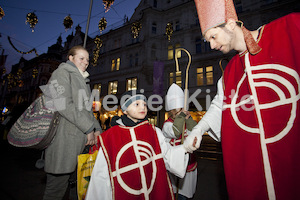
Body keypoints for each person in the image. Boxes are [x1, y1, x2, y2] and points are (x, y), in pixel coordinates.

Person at [185, 1, 300, 200]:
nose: (212, 45)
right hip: (253, 179)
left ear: (230, 23)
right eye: (207, 41)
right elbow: (219, 105)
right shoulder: (229, 73)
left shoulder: (290, 29)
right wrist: (199, 129)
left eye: (213, 36)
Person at [86, 90, 194, 200]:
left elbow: (168, 156)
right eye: (136, 104)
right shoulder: (111, 136)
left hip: (150, 187)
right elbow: (101, 176)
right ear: (125, 110)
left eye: (145, 104)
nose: (142, 108)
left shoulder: (154, 132)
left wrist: (185, 148)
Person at [42, 45, 102, 200]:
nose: (86, 62)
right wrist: (88, 127)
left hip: (82, 142)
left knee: (79, 188)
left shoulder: (83, 79)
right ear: (70, 58)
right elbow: (63, 105)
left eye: (88, 59)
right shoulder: (60, 73)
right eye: (81, 58)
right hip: (64, 141)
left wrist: (96, 128)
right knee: (55, 189)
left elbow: (88, 111)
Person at [162, 83, 198, 200]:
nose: (181, 115)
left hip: (189, 166)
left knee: (188, 195)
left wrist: (189, 119)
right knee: (177, 195)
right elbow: (176, 132)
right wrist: (181, 116)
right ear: (172, 112)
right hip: (175, 167)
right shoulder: (167, 125)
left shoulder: (185, 120)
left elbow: (195, 131)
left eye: (182, 111)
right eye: (178, 113)